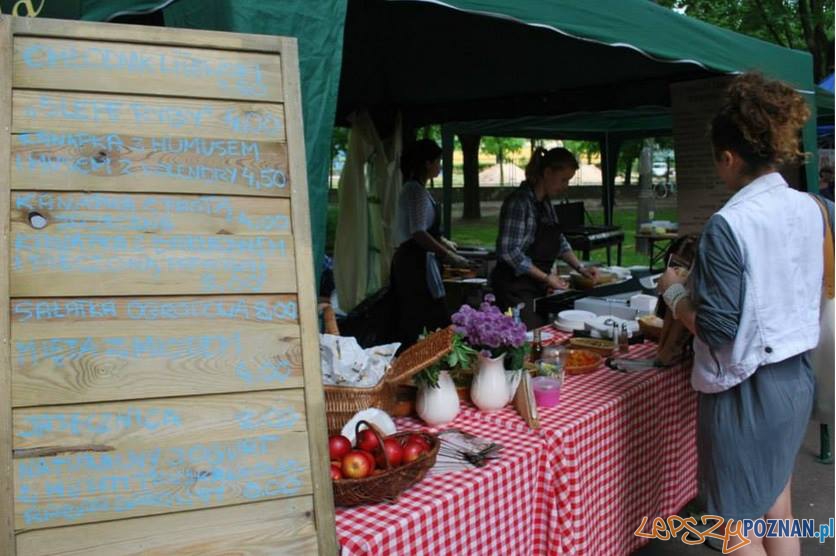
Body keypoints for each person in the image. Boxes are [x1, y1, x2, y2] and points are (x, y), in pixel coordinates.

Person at [657, 72, 833, 556]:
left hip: (744, 391)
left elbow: (717, 328)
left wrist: (674, 293)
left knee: (731, 528)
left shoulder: (728, 225)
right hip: (795, 379)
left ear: (729, 157)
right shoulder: (816, 208)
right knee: (777, 504)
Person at [491, 146, 596, 329]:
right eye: (563, 180)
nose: (566, 186)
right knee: (525, 340)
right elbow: (508, 252)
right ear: (547, 173)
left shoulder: (545, 204)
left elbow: (559, 242)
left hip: (535, 288)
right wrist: (547, 278)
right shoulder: (519, 203)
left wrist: (580, 268)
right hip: (513, 289)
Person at [389, 139, 469, 347]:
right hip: (413, 265)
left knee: (429, 317)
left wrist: (445, 242)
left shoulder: (418, 190)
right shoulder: (414, 191)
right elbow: (417, 232)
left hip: (418, 260)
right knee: (423, 318)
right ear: (427, 163)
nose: (439, 166)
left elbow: (424, 228)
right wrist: (447, 254)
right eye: (438, 161)